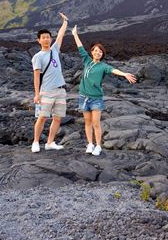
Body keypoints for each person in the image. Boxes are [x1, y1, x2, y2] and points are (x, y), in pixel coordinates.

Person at [71, 25, 137, 156]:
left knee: (96, 123)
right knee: (87, 122)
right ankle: (90, 144)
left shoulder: (103, 66)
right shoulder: (87, 61)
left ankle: (98, 146)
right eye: (95, 50)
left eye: (100, 51)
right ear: (92, 52)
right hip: (83, 97)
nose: (97, 52)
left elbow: (113, 70)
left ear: (102, 54)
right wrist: (74, 34)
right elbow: (80, 47)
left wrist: (124, 74)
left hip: (96, 98)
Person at [30, 12, 69, 153]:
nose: (46, 39)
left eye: (48, 37)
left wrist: (65, 22)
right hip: (46, 91)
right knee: (42, 118)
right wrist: (36, 94)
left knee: (57, 118)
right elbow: (36, 77)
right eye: (43, 38)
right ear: (39, 40)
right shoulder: (37, 57)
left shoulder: (55, 50)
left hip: (60, 90)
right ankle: (35, 142)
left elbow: (61, 36)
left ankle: (50, 142)